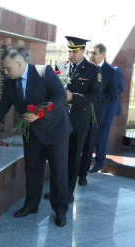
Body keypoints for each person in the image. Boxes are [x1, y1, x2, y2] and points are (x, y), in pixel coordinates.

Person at [0, 50, 72, 227]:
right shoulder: (9, 82)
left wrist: (40, 113)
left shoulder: (44, 72)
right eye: (4, 69)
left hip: (55, 131)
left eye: (8, 68)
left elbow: (60, 96)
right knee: (32, 170)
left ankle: (60, 210)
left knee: (59, 173)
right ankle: (31, 205)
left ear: (19, 63)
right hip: (32, 133)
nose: (6, 72)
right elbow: (2, 108)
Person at [45, 36, 102, 203]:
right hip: (59, 120)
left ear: (83, 51)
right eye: (69, 51)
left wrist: (73, 97)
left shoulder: (93, 70)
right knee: (57, 157)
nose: (71, 54)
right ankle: (56, 189)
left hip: (78, 121)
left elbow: (96, 96)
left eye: (74, 51)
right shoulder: (60, 66)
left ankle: (68, 191)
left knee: (73, 157)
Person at [78, 43, 117, 184]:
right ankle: (71, 173)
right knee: (76, 145)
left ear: (103, 55)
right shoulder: (85, 68)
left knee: (88, 147)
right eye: (90, 52)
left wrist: (96, 97)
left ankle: (82, 176)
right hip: (80, 113)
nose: (90, 56)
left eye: (94, 53)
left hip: (95, 116)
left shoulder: (111, 72)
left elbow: (113, 95)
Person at [89, 65, 124, 173]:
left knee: (102, 135)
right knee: (93, 135)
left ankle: (99, 163)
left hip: (108, 109)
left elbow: (118, 89)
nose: (91, 59)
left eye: (94, 55)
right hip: (94, 109)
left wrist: (99, 95)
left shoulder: (115, 70)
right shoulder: (93, 69)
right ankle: (95, 156)